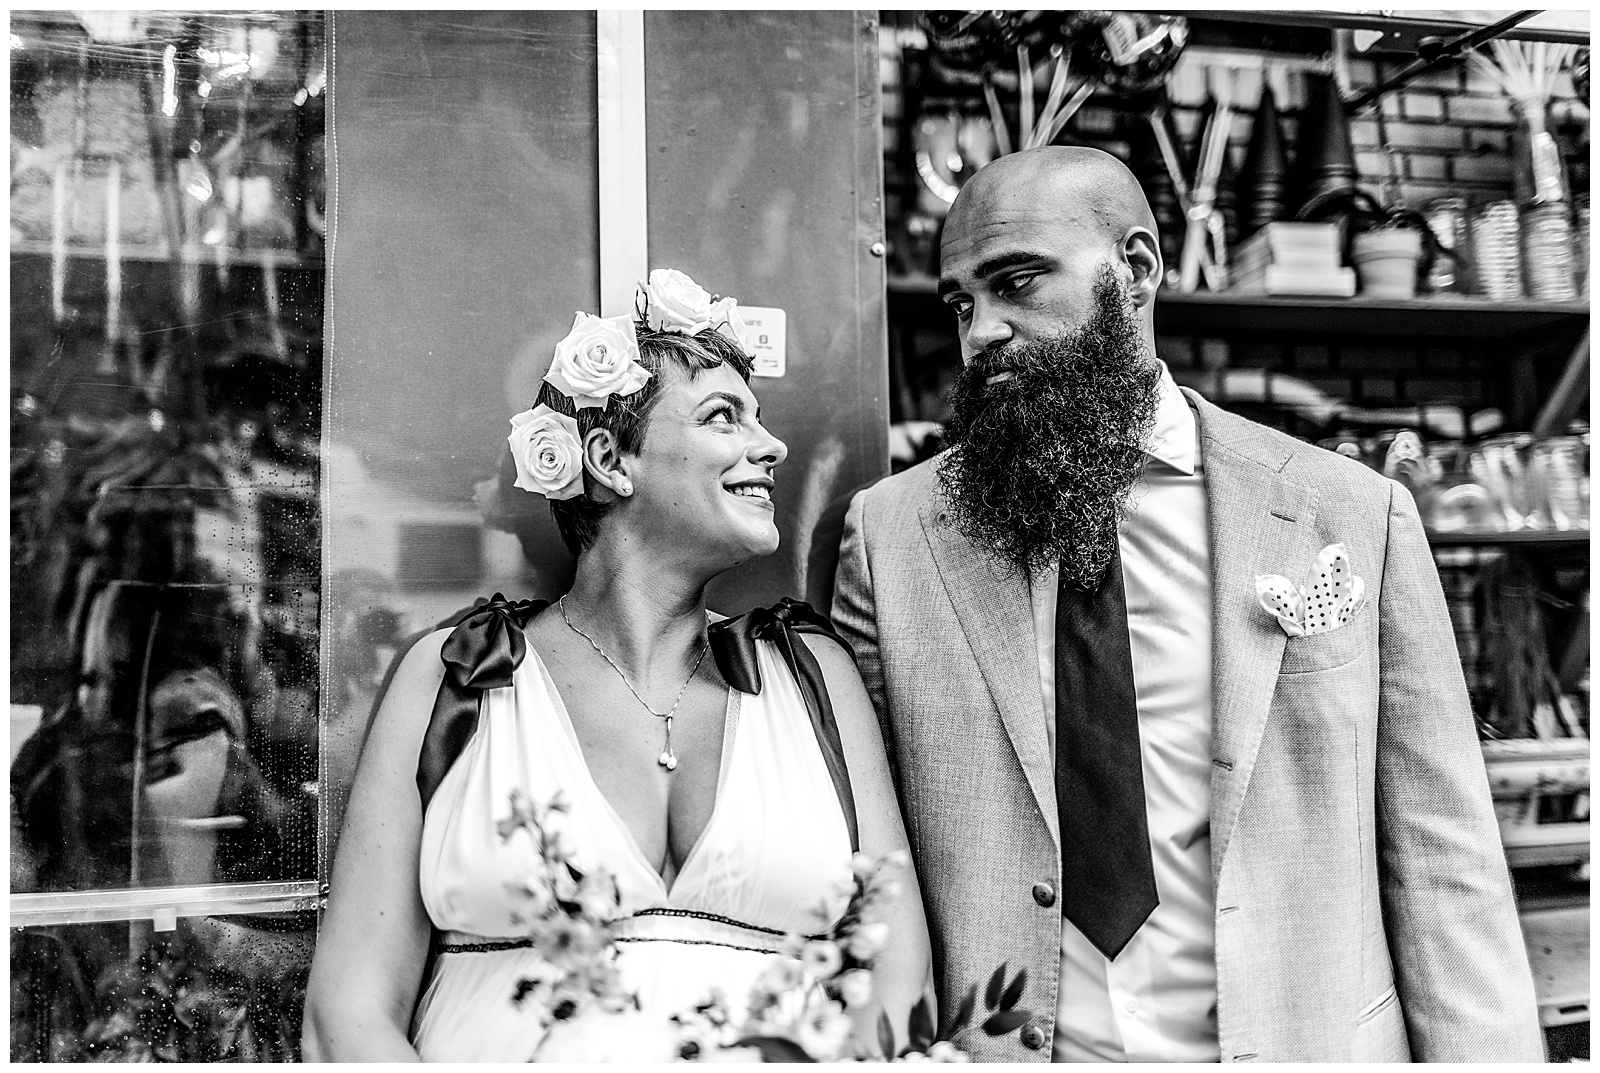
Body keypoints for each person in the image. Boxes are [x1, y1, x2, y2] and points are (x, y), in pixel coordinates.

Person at [831, 146, 1543, 1063]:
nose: (982, 331)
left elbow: (1446, 857)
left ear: (1135, 268)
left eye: (1017, 281)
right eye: (962, 303)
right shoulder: (891, 537)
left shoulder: (1350, 511)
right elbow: (865, 865)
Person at [304, 271, 929, 1061]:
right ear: (608, 457)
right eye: (722, 417)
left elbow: (895, 982)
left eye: (758, 419)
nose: (769, 446)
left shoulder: (816, 679)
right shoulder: (456, 676)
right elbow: (347, 1013)